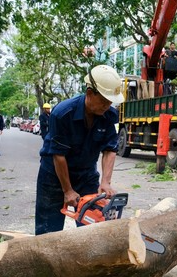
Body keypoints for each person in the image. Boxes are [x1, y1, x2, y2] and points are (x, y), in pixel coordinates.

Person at [35, 65, 124, 235]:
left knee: (93, 226)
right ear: (90, 93)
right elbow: (58, 155)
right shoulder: (62, 113)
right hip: (54, 174)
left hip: (87, 174)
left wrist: (106, 182)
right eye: (104, 101)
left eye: (110, 101)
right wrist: (67, 190)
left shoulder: (109, 115)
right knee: (48, 230)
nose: (107, 105)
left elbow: (110, 149)